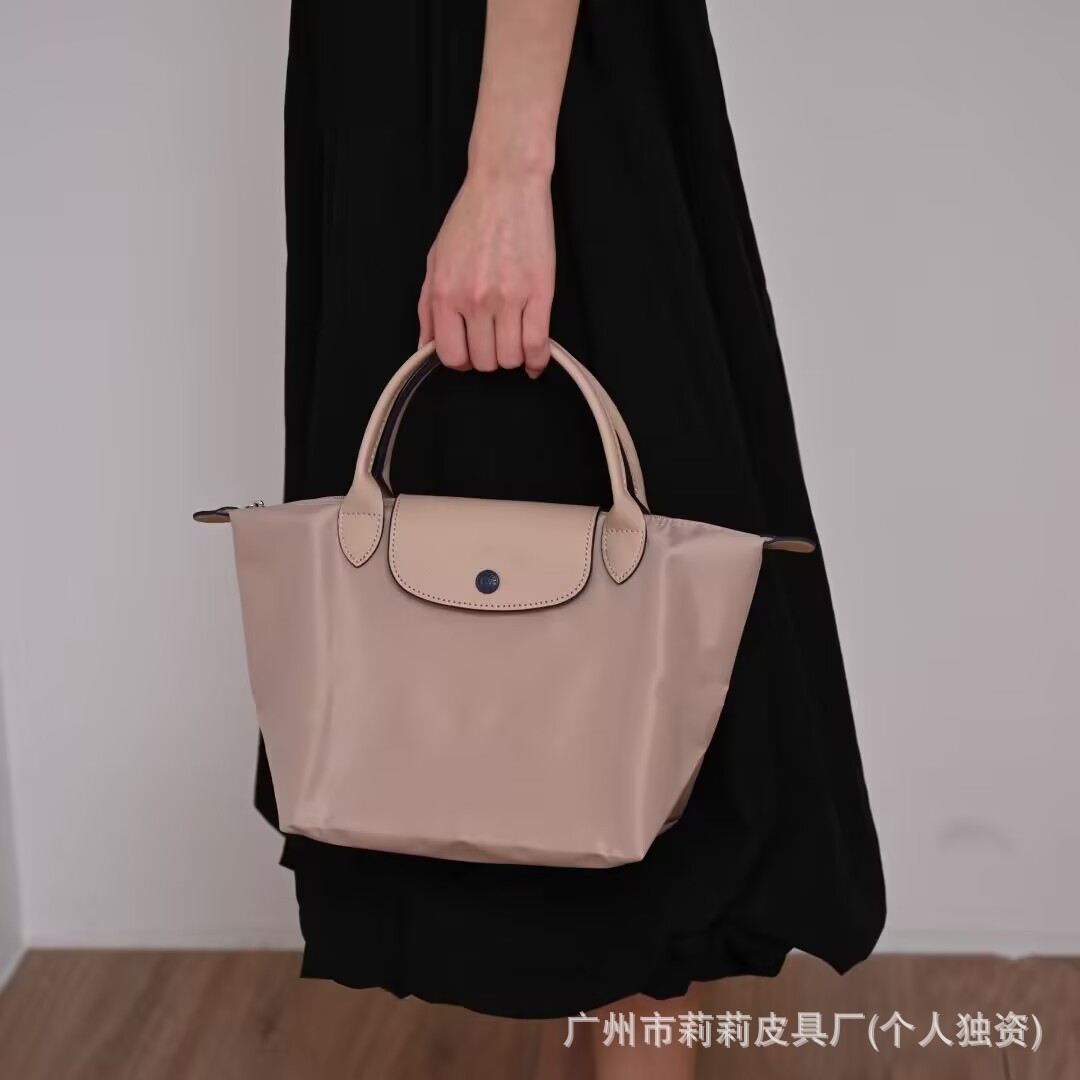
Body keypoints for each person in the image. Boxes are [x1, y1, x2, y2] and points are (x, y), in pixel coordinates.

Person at [268, 2, 887, 1076]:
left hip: (506, 73)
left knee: (636, 633)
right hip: (387, 72)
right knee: (562, 605)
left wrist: (508, 170)